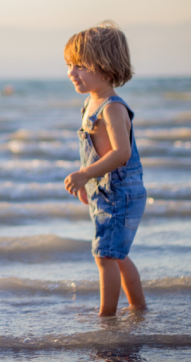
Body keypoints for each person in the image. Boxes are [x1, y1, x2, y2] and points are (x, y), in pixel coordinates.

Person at [62, 21, 147, 316]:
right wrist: (88, 182)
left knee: (105, 256)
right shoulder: (89, 104)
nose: (72, 72)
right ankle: (138, 308)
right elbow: (94, 153)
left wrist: (86, 174)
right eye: (69, 65)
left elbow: (121, 153)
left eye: (80, 65)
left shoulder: (111, 107)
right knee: (116, 255)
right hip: (106, 191)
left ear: (106, 69)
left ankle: (106, 317)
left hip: (120, 191)